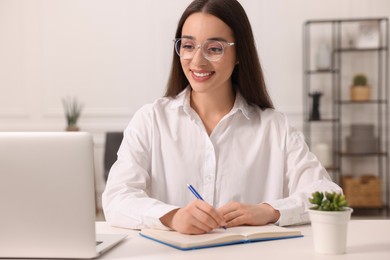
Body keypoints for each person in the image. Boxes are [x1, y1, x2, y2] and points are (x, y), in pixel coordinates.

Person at [102, 0, 341, 235]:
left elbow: (328, 195)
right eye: (188, 46)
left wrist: (271, 211)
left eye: (214, 48)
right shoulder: (151, 120)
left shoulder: (274, 127)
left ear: (239, 54)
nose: (197, 60)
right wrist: (172, 217)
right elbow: (116, 198)